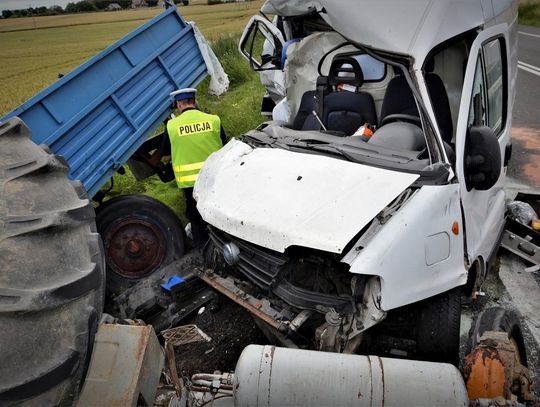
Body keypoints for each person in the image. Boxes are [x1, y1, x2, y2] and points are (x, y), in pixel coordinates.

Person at [167, 87, 227, 247]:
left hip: (190, 183)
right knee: (219, 210)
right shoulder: (213, 119)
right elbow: (226, 145)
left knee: (195, 215)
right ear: (194, 102)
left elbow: (166, 152)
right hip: (214, 176)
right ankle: (226, 244)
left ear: (179, 105)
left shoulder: (172, 126)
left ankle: (203, 249)